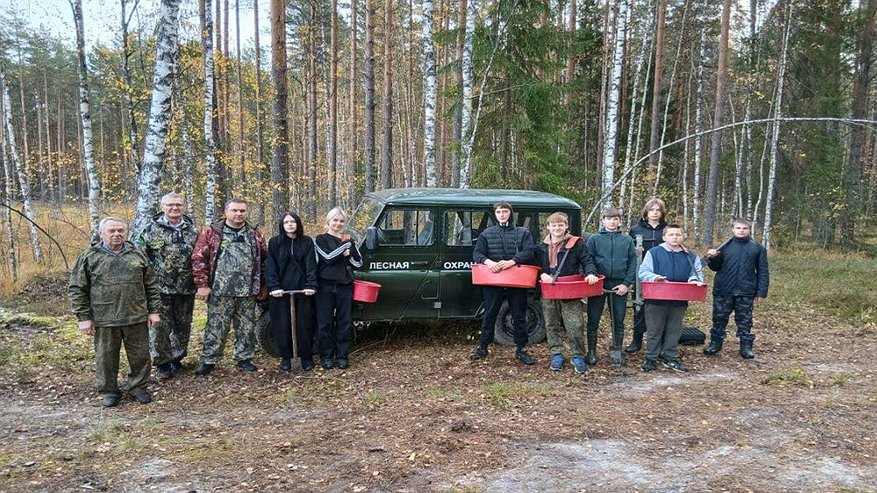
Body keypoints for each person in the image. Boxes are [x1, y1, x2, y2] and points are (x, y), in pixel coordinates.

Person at [69, 217, 161, 407]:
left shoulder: (137, 254)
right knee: (106, 356)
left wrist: (154, 311)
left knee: (140, 356)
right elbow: (77, 288)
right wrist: (83, 317)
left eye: (120, 230)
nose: (117, 234)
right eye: (111, 231)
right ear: (101, 233)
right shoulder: (90, 256)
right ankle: (109, 391)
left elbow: (151, 285)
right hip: (104, 317)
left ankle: (138, 387)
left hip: (135, 314)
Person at [191, 198, 268, 376]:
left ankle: (244, 358)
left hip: (248, 291)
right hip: (220, 290)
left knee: (246, 327)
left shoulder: (255, 233)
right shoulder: (212, 232)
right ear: (226, 212)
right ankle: (209, 360)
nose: (238, 214)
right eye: (234, 210)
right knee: (216, 328)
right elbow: (198, 258)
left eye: (242, 210)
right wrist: (202, 284)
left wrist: (264, 285)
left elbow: (265, 260)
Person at [136, 192, 198, 381]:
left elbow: (201, 257)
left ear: (183, 206)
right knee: (160, 328)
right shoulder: (149, 230)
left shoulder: (193, 230)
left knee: (183, 326)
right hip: (159, 290)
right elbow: (139, 259)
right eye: (170, 205)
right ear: (162, 206)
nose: (174, 208)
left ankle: (177, 358)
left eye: (178, 205)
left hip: (186, 288)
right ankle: (162, 363)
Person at [470, 202, 537, 365]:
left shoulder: (523, 232)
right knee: (490, 313)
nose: (502, 214)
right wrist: (488, 262)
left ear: (510, 213)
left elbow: (529, 251)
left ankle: (521, 349)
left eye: (505, 211)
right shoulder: (487, 233)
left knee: (519, 315)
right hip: (493, 281)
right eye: (499, 212)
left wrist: (513, 261)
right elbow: (477, 253)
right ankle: (483, 347)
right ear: (495, 214)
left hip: (516, 280)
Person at [537, 212, 599, 374]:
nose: (557, 228)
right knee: (551, 323)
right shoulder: (541, 246)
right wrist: (541, 273)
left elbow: (587, 261)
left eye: (561, 225)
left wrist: (590, 273)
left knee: (575, 324)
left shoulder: (576, 244)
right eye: (554, 225)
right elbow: (534, 264)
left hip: (570, 289)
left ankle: (577, 354)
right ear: (548, 227)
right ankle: (556, 353)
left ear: (566, 226)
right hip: (549, 289)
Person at [638, 224, 705, 372]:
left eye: (678, 234)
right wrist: (656, 278)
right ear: (664, 237)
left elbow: (696, 273)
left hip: (679, 300)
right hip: (656, 299)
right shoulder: (654, 253)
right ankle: (650, 358)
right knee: (654, 330)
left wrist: (694, 280)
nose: (674, 237)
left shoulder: (690, 255)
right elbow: (643, 272)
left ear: (682, 237)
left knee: (674, 330)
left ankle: (670, 357)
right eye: (671, 234)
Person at [703, 218, 769, 359]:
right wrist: (713, 258)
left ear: (749, 230)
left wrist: (761, 292)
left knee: (745, 320)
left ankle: (746, 347)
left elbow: (763, 271)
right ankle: (715, 344)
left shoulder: (757, 248)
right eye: (738, 228)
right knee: (719, 318)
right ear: (733, 229)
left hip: (746, 291)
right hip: (723, 289)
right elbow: (715, 267)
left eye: (744, 228)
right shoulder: (723, 247)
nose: (741, 231)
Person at [266, 211, 318, 371]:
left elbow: (311, 265)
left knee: (305, 324)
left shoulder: (307, 241)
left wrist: (311, 285)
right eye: (286, 222)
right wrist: (274, 287)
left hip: (303, 290)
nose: (290, 224)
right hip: (281, 292)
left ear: (298, 224)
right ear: (282, 225)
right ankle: (286, 357)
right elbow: (271, 266)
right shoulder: (275, 243)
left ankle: (306, 357)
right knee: (282, 325)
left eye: (293, 221)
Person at [585, 207, 637, 366]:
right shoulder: (594, 239)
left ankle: (617, 351)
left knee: (618, 319)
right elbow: (588, 260)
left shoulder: (627, 240)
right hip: (599, 284)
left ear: (620, 221)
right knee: (593, 318)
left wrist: (626, 284)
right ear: (603, 221)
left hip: (619, 285)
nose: (612, 222)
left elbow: (633, 263)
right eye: (609, 219)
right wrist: (594, 278)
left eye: (615, 219)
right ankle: (592, 352)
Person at [314, 207, 362, 370]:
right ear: (328, 221)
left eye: (341, 221)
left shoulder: (348, 240)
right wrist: (344, 248)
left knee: (345, 322)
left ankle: (342, 356)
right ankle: (326, 356)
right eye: (335, 220)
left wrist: (349, 253)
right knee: (324, 322)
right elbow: (327, 258)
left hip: (345, 286)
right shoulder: (320, 239)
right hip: (325, 286)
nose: (338, 223)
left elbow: (358, 263)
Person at [627, 197, 668, 353]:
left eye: (658, 210)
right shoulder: (636, 229)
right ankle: (637, 340)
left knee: (662, 307)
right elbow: (629, 251)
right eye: (652, 209)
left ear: (662, 212)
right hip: (641, 273)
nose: (655, 213)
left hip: (663, 273)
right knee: (640, 306)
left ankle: (662, 340)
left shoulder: (667, 229)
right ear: (646, 211)